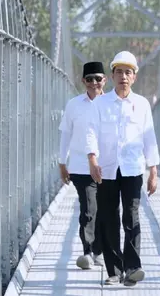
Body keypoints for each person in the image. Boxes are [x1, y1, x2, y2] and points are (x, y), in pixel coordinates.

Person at [85, 51, 159, 286]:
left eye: (128, 72)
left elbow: (150, 138)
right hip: (106, 169)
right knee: (109, 219)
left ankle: (133, 267)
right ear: (112, 75)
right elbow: (91, 133)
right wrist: (92, 161)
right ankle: (114, 271)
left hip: (133, 169)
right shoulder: (101, 104)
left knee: (132, 217)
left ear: (134, 77)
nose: (123, 77)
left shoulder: (142, 104)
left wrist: (153, 170)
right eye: (119, 72)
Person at [58, 61, 107, 270]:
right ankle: (88, 251)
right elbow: (65, 135)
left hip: (109, 167)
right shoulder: (73, 105)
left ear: (105, 80)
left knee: (106, 211)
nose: (94, 83)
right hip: (80, 167)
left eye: (98, 78)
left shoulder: (113, 104)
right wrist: (62, 162)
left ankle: (100, 250)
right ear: (83, 81)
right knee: (89, 208)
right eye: (89, 79)